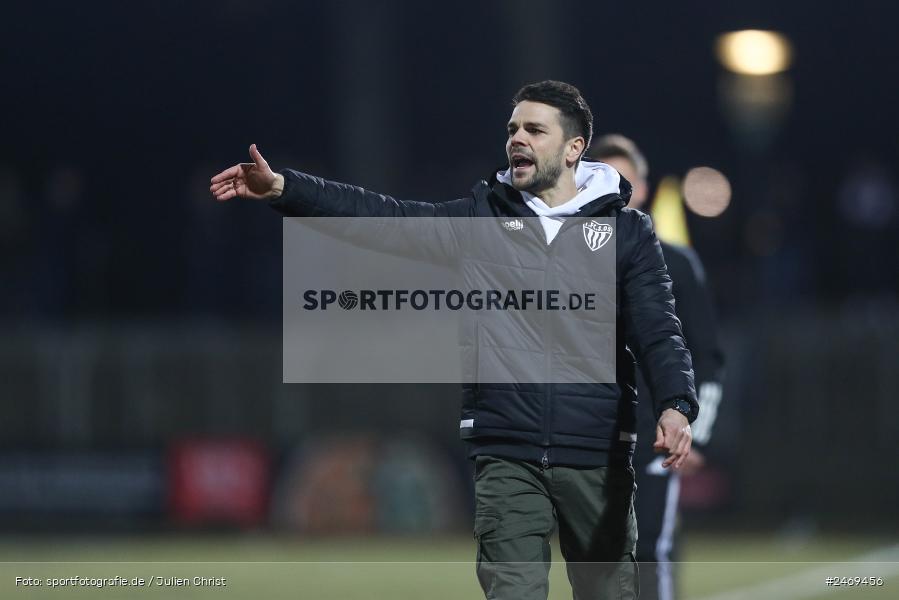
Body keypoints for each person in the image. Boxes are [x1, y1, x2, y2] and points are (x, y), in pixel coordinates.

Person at [210, 80, 698, 600]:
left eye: (535, 129)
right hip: (507, 454)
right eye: (513, 129)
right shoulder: (480, 219)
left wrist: (675, 404)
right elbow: (386, 220)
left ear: (574, 148)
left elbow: (658, 329)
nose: (518, 139)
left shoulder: (628, 232)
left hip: (596, 453)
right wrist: (287, 189)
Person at [592, 134, 725, 600]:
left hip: (651, 437)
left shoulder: (677, 265)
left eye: (625, 180)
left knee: (648, 548)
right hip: (586, 442)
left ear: (643, 189)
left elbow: (706, 357)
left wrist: (696, 431)